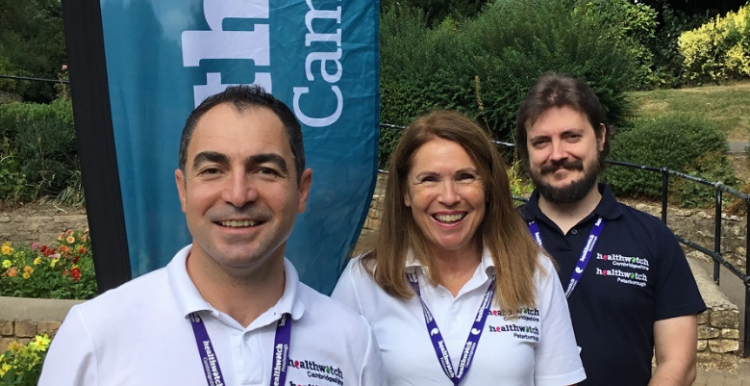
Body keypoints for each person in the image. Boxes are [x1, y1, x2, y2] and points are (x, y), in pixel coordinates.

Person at [39, 85, 386, 386]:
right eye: (212, 170)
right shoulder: (96, 335)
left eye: (265, 170)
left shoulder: (352, 341)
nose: (238, 194)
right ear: (183, 190)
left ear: (302, 190)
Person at [332, 110, 586, 386]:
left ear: (488, 188)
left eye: (465, 177)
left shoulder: (534, 273)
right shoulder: (364, 279)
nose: (449, 197)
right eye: (429, 179)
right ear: (405, 192)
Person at [515, 72, 707, 386]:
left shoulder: (652, 238)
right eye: (541, 142)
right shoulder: (498, 235)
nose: (558, 154)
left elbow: (679, 364)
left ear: (601, 137)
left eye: (572, 136)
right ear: (527, 149)